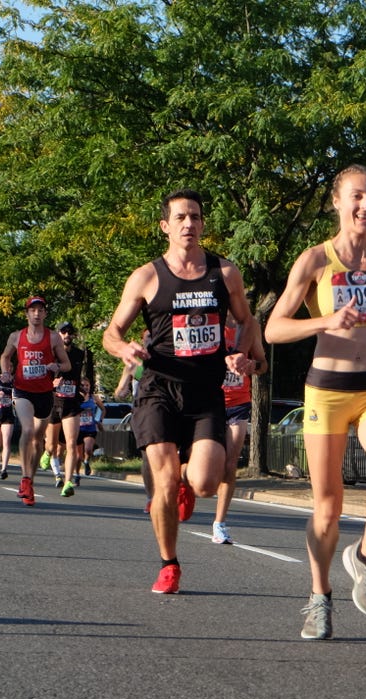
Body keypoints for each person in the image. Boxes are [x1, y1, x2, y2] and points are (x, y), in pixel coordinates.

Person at [265, 165, 366, 639]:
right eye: (357, 197)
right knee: (328, 507)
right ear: (337, 202)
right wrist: (325, 322)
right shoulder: (314, 262)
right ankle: (320, 597)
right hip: (328, 391)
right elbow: (274, 329)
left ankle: (363, 557)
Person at [102, 189, 258, 594]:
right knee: (165, 479)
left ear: (203, 224)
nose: (189, 224)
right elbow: (111, 333)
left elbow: (248, 321)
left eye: (196, 217)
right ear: (165, 226)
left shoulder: (224, 273)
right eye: (181, 217)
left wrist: (241, 354)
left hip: (206, 391)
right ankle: (169, 565)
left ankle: (189, 483)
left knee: (207, 483)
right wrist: (124, 349)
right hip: (158, 389)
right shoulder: (146, 276)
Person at [0, 296, 71, 506]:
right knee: (28, 431)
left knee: (38, 439)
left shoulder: (53, 338)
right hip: (22, 390)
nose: (37, 314)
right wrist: (6, 372)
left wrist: (57, 367)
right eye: (33, 310)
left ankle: (30, 481)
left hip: (45, 393)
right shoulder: (16, 336)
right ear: (27, 314)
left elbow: (66, 364)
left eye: (41, 310)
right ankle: (24, 478)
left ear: (45, 314)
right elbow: (5, 357)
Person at [212, 315, 268, 545]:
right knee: (202, 464)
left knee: (230, 465)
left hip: (238, 403)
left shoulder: (249, 326)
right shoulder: (210, 321)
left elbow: (263, 364)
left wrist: (252, 365)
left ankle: (219, 523)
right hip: (209, 403)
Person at [43, 322, 96, 497]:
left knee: (72, 444)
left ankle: (67, 482)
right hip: (54, 403)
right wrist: (51, 383)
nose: (67, 335)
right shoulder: (50, 353)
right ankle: (47, 452)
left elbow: (88, 376)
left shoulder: (80, 354)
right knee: (51, 445)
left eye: (70, 332)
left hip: (72, 404)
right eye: (63, 331)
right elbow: (42, 377)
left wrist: (85, 391)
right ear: (58, 334)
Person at [74, 377, 106, 483]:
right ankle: (77, 474)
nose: (85, 387)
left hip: (90, 428)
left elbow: (103, 409)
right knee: (78, 456)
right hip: (78, 429)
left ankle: (87, 462)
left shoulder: (94, 397)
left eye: (87, 385)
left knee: (88, 449)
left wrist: (99, 420)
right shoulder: (75, 398)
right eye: (82, 385)